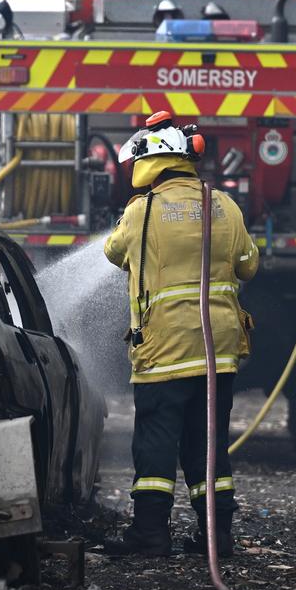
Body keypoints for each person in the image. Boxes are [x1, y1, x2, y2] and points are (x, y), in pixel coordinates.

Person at [102, 111, 259, 558]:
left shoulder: (141, 212)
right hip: (218, 352)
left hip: (165, 352)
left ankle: (151, 533)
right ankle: (217, 536)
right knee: (207, 445)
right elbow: (249, 265)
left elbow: (113, 253)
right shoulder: (224, 205)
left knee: (155, 444)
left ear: (149, 161)